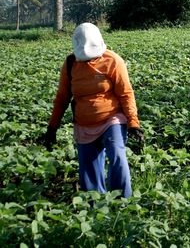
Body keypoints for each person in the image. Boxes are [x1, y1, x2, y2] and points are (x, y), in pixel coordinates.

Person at [43, 23, 144, 198]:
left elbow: (126, 93)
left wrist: (133, 123)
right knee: (88, 169)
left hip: (112, 118)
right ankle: (95, 209)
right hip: (84, 123)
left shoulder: (113, 61)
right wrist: (52, 128)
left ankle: (122, 202)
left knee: (117, 156)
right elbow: (62, 99)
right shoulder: (70, 64)